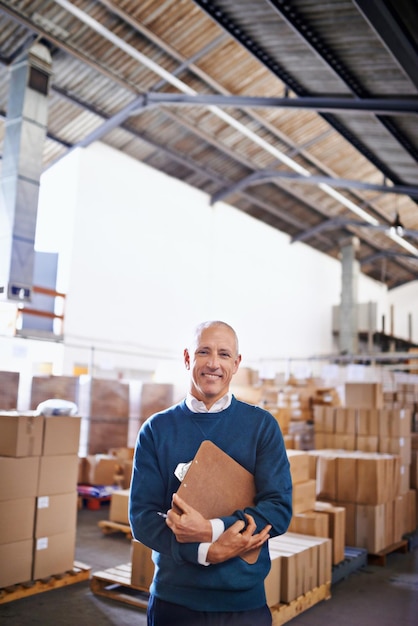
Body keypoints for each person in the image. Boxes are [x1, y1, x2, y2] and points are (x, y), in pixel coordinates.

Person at [129, 320, 292, 626]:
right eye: (204, 352)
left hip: (243, 604)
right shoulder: (156, 430)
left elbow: (278, 511)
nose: (214, 363)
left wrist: (211, 529)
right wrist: (206, 552)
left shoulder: (261, 427)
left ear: (236, 363)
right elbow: (142, 518)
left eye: (224, 354)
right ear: (188, 358)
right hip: (175, 602)